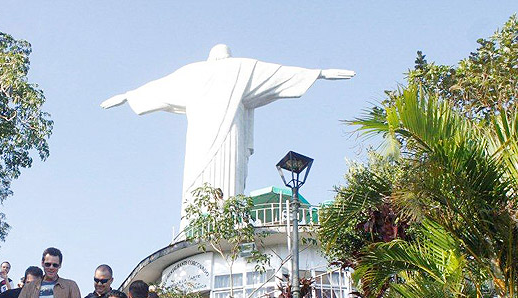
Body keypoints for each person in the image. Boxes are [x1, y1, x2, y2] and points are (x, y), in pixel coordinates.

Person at [101, 44, 355, 231]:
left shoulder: (195, 72)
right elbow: (278, 74)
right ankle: (201, 227)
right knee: (205, 180)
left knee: (216, 181)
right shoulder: (241, 67)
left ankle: (217, 225)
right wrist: (317, 73)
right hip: (211, 136)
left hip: (217, 135)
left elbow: (158, 87)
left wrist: (128, 96)